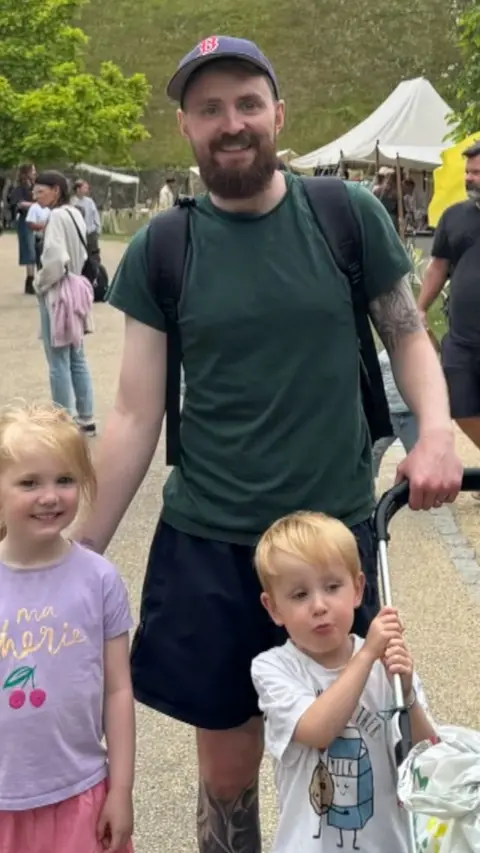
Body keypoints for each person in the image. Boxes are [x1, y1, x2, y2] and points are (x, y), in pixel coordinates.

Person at [77, 36, 461, 852]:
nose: (232, 123)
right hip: (211, 540)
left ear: (278, 115)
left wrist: (433, 432)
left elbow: (408, 336)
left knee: (346, 740)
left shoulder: (343, 216)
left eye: (248, 103)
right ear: (185, 125)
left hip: (331, 539)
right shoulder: (163, 249)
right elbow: (135, 417)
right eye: (210, 108)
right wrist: (75, 556)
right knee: (225, 771)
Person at [251, 511, 435, 853]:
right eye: (299, 595)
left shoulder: (387, 663)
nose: (319, 605)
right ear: (273, 608)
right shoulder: (273, 669)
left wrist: (407, 692)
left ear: (358, 589)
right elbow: (318, 730)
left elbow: (426, 756)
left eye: (333, 587)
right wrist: (365, 658)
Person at [0, 403, 134, 853]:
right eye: (28, 482)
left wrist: (121, 790)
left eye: (65, 479)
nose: (50, 496)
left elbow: (118, 691)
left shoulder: (98, 579)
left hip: (81, 792)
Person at [418, 140, 480, 458]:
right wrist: (419, 308)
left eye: (478, 172)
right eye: (468, 172)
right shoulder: (454, 216)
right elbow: (438, 265)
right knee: (457, 402)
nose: (470, 178)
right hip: (462, 337)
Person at [33, 171, 97, 437]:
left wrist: (40, 283)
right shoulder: (74, 213)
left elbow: (56, 259)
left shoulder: (57, 217)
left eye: (41, 191)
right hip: (76, 286)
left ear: (56, 190)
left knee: (57, 357)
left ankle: (63, 419)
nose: (36, 196)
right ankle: (86, 416)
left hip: (59, 290)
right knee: (76, 356)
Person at [371, 349, 418, 478]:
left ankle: (417, 492)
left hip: (411, 416)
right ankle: (368, 489)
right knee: (374, 452)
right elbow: (376, 382)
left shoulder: (414, 355)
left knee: (416, 456)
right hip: (389, 415)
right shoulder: (381, 358)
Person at [10, 163, 37, 294]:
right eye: (33, 170)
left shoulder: (34, 187)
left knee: (38, 250)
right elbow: (19, 203)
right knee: (29, 251)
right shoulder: (19, 189)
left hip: (37, 221)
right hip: (25, 221)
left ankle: (36, 280)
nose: (35, 173)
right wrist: (35, 205)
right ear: (26, 173)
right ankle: (30, 281)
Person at [72, 178, 102, 260]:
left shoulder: (90, 201)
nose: (87, 190)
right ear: (78, 189)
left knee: (94, 256)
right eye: (85, 188)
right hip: (78, 233)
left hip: (90, 232)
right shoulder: (72, 202)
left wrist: (98, 229)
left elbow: (95, 215)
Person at [26, 190, 51, 269]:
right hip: (38, 239)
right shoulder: (34, 207)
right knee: (40, 263)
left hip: (48, 238)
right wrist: (44, 226)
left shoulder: (48, 209)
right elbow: (30, 224)